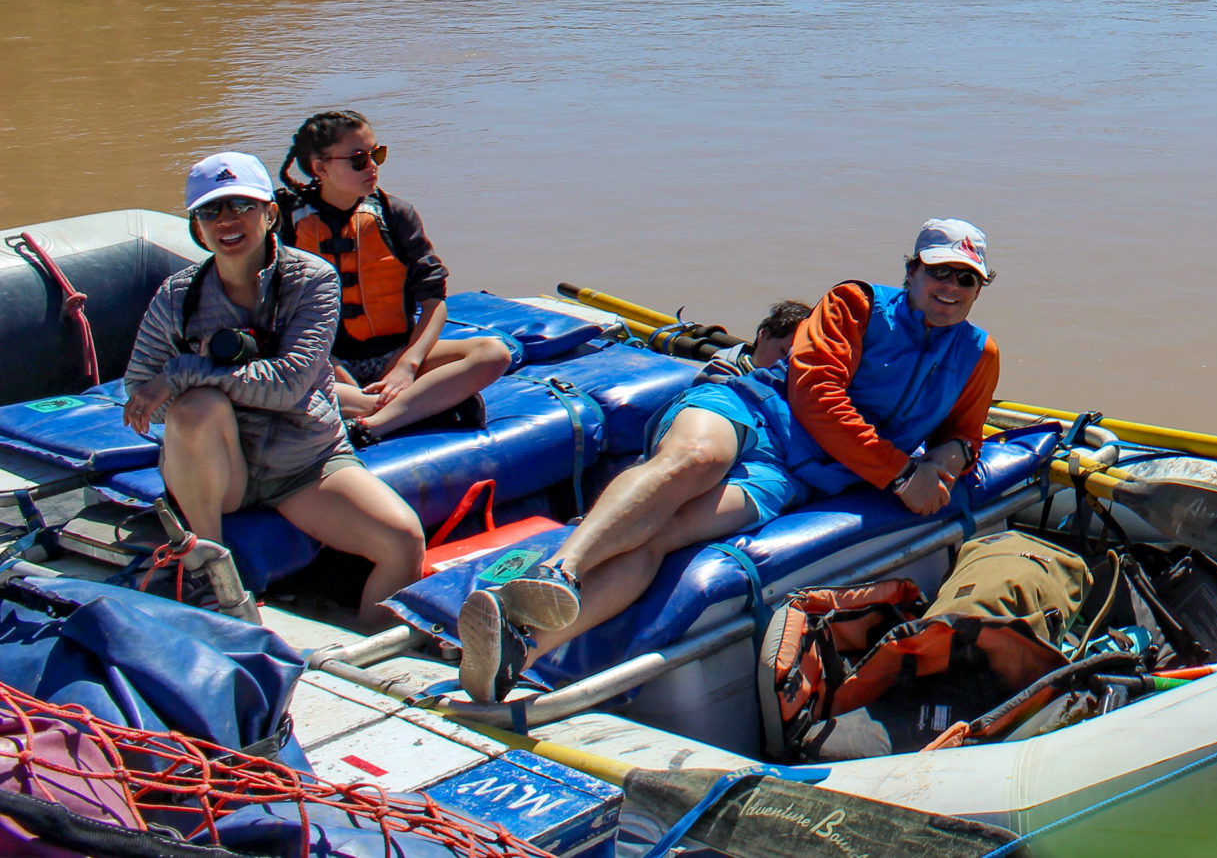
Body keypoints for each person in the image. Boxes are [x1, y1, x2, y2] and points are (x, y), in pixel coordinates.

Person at [458, 221, 1003, 703]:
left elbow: (963, 433)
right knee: (694, 460)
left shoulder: (979, 353)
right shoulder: (854, 305)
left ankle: (520, 651)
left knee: (664, 535)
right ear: (911, 271)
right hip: (754, 411)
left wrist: (946, 463)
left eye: (966, 279)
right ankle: (558, 572)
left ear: (979, 288)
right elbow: (816, 396)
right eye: (940, 272)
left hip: (793, 476)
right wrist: (903, 474)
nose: (950, 288)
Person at [122, 152, 428, 627]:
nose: (227, 221)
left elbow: (289, 385)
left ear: (269, 213)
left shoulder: (313, 281)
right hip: (221, 470)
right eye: (210, 211)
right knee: (197, 408)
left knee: (404, 540)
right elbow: (141, 392)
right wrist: (195, 389)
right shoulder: (177, 296)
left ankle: (370, 651)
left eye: (241, 206)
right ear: (196, 227)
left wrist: (183, 372)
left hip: (304, 461)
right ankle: (209, 560)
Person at [275, 111, 511, 442]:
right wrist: (328, 363)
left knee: (493, 354)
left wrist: (406, 365)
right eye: (358, 159)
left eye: (377, 154)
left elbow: (434, 300)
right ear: (320, 167)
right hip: (322, 364)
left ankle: (372, 423)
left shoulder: (394, 214)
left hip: (392, 356)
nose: (372, 166)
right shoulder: (282, 220)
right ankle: (407, 406)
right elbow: (273, 308)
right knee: (268, 377)